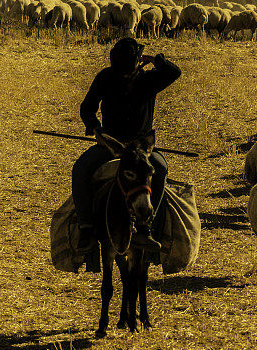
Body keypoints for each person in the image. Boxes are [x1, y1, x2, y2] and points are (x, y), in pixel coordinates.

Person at [72, 37, 182, 253]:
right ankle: (86, 227)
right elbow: (87, 108)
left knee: (159, 169)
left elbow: (174, 72)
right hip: (111, 145)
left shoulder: (150, 80)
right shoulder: (106, 77)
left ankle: (145, 228)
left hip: (141, 147)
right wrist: (95, 129)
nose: (125, 74)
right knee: (81, 168)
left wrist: (157, 60)